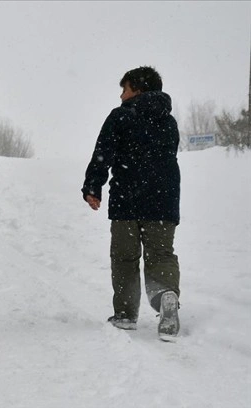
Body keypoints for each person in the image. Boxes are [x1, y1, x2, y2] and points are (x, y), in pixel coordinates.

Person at [81, 66, 181, 341]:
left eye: (124, 89)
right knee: (161, 254)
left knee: (125, 257)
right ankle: (166, 296)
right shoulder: (168, 120)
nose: (121, 96)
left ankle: (125, 315)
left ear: (138, 88)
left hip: (128, 198)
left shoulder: (121, 116)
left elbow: (103, 153)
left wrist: (93, 187)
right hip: (164, 200)